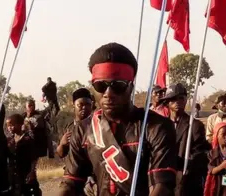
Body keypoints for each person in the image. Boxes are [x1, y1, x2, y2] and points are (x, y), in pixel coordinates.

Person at [60, 42, 178, 196]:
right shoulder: (83, 129)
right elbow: (70, 183)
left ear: (131, 86)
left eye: (118, 85)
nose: (108, 93)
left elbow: (162, 185)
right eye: (100, 86)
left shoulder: (156, 127)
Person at [160, 83, 211, 196]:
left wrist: (184, 163)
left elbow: (201, 154)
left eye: (181, 98)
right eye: (173, 99)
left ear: (185, 100)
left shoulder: (195, 125)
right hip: (164, 182)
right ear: (167, 102)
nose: (177, 102)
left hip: (187, 182)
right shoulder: (161, 126)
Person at [6, 114, 41, 195]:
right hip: (13, 176)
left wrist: (32, 172)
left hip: (25, 174)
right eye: (7, 126)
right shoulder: (9, 140)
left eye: (11, 125)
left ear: (19, 125)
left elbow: (34, 158)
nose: (9, 128)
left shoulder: (28, 140)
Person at [56, 88, 94, 158]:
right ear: (74, 105)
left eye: (88, 104)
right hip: (71, 167)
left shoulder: (97, 124)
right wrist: (62, 144)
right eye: (80, 105)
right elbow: (60, 154)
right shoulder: (67, 127)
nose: (84, 107)